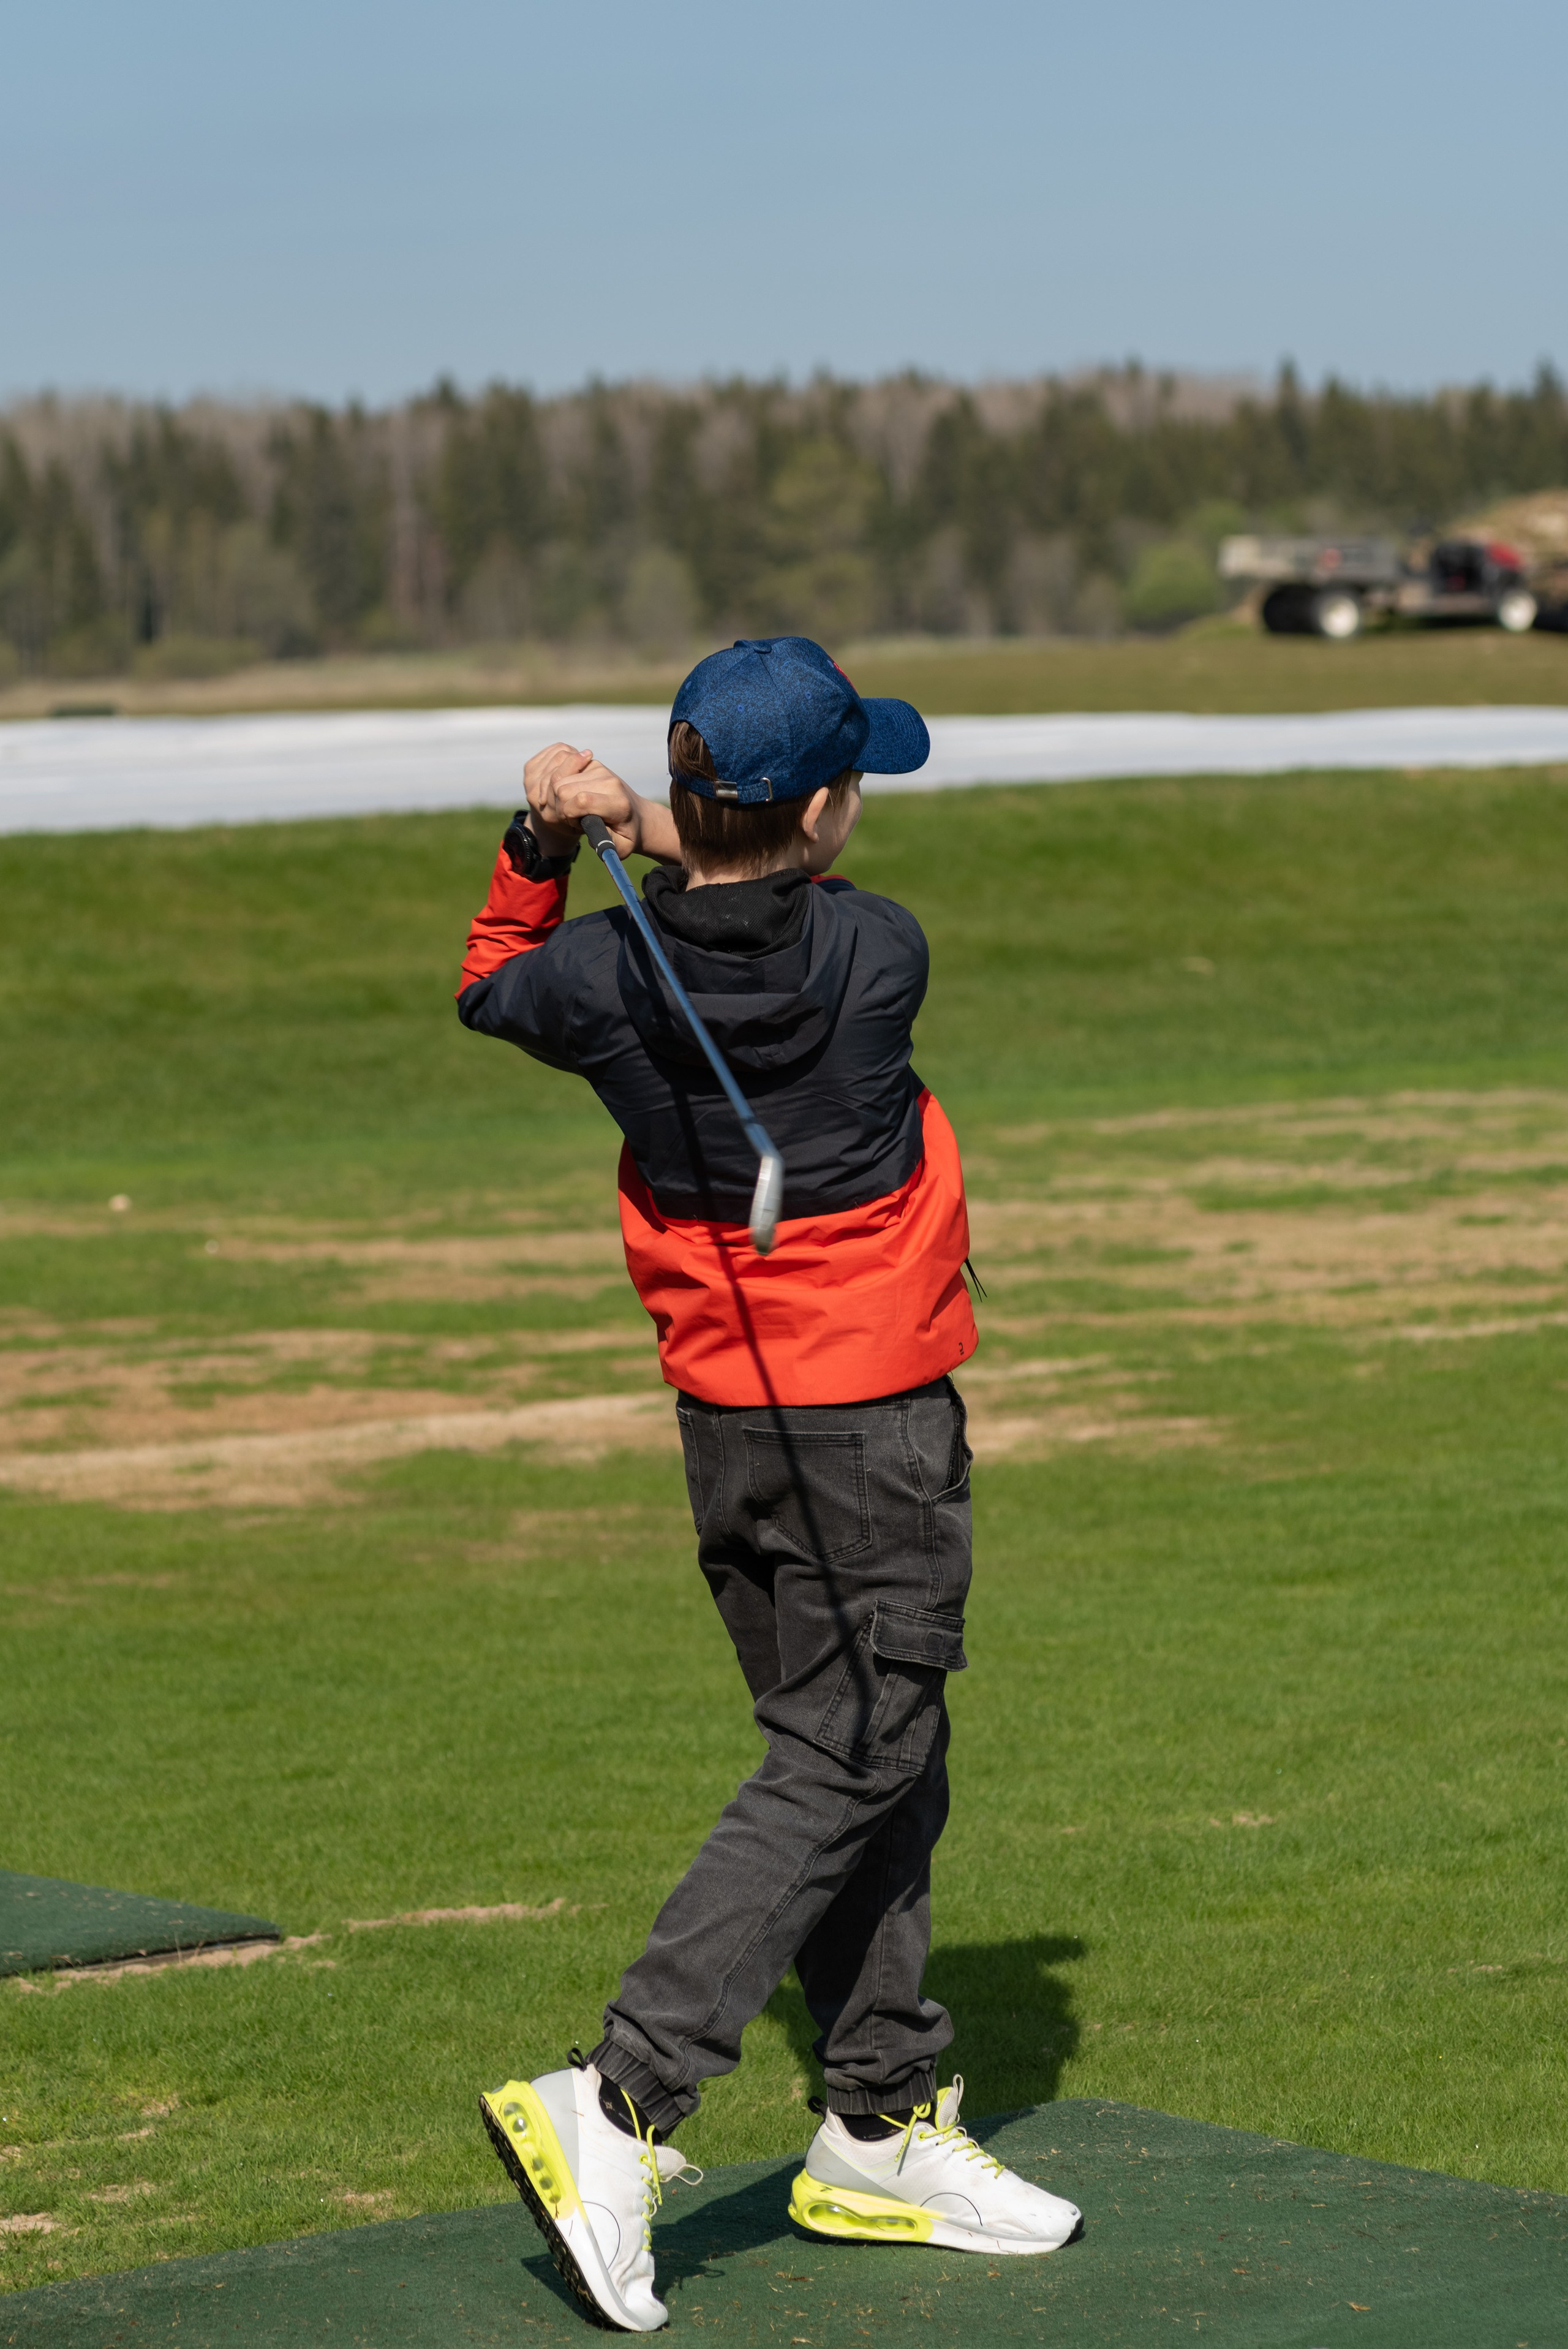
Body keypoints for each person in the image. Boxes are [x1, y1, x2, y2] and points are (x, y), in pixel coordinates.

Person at [457, 638, 1081, 2332]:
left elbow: (486, 978)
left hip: (727, 1428)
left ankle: (876, 2115)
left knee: (883, 1756)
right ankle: (630, 2094)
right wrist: (654, 831)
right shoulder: (882, 950)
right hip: (873, 1429)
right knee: (857, 1747)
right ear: (824, 810)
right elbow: (767, 884)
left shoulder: (597, 978)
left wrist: (548, 841)